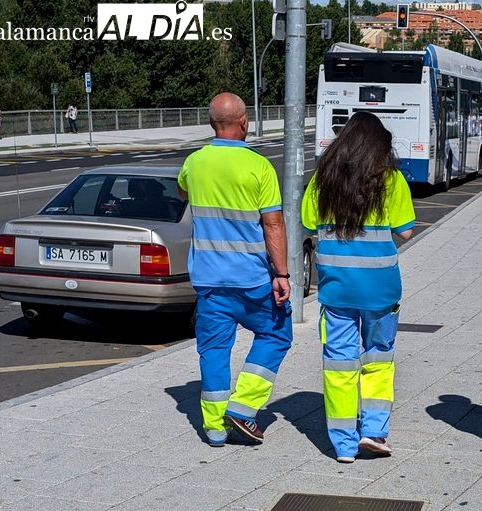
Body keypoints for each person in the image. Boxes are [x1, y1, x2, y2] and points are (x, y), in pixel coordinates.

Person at [177, 92, 293, 448]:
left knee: (213, 349)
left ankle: (213, 427)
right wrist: (283, 274)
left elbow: (183, 195)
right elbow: (273, 224)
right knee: (276, 335)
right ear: (244, 122)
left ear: (212, 123)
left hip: (210, 281)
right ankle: (243, 408)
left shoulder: (194, 163)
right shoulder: (259, 166)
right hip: (253, 279)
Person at [301, 111, 415, 464]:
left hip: (337, 288)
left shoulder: (323, 180)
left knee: (338, 363)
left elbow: (307, 224)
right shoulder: (391, 181)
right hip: (380, 288)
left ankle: (343, 443)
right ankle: (374, 431)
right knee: (378, 359)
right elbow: (407, 231)